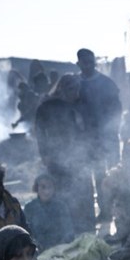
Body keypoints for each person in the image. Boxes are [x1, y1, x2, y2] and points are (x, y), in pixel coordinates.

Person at [35, 74, 93, 236]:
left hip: (79, 157)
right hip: (57, 158)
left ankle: (87, 231)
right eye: (72, 89)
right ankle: (65, 232)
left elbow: (85, 131)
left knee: (83, 192)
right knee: (63, 194)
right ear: (62, 89)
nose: (75, 93)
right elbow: (40, 133)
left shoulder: (78, 105)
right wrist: (44, 154)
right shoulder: (46, 107)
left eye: (77, 89)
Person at [75, 48, 123, 225]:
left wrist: (112, 131)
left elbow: (117, 110)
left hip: (107, 137)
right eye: (84, 62)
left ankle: (117, 210)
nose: (88, 65)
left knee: (113, 174)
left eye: (91, 61)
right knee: (96, 175)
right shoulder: (76, 84)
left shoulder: (107, 83)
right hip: (88, 140)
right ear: (79, 63)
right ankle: (104, 210)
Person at [23, 174, 74, 248]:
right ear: (37, 188)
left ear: (54, 189)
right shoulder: (29, 208)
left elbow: (68, 230)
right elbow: (27, 232)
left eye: (50, 187)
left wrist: (62, 245)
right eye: (43, 187)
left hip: (60, 249)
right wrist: (34, 244)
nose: (47, 191)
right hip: (37, 250)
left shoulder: (61, 206)